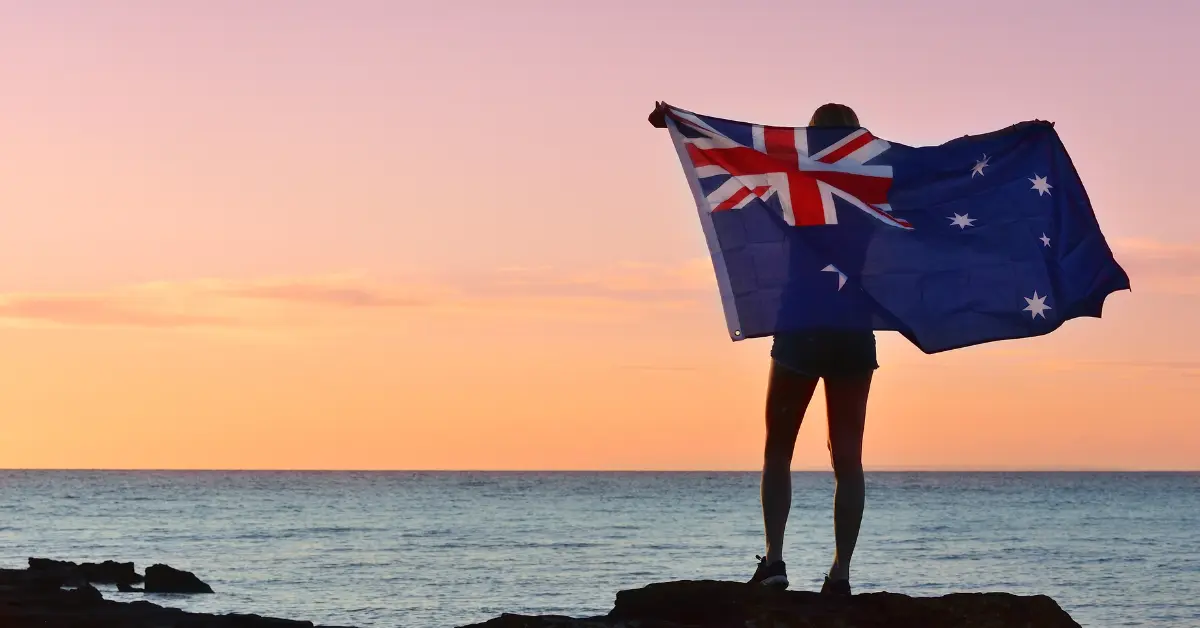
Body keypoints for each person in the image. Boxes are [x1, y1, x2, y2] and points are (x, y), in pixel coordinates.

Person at [649, 102, 875, 596]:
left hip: (800, 324)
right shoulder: (877, 188)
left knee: (779, 449)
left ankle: (774, 561)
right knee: (849, 460)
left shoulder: (793, 179)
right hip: (853, 329)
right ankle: (841, 575)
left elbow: (735, 159)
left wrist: (682, 125)